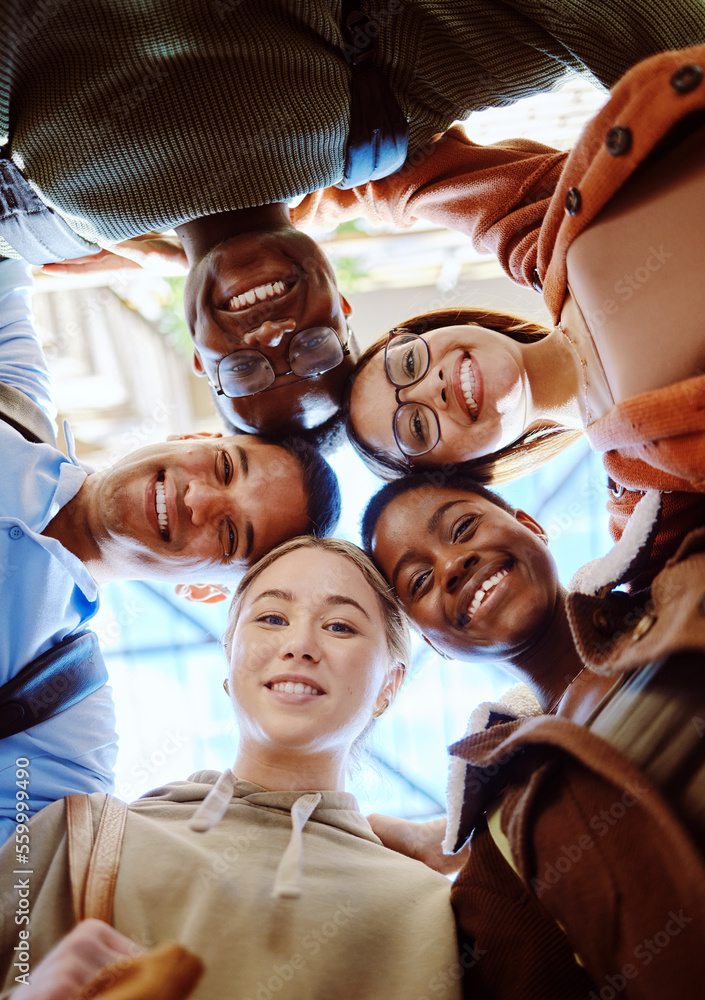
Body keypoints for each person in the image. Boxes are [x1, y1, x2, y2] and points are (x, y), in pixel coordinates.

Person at [7, 4, 705, 439]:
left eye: (248, 372)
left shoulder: (46, 227)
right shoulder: (372, 109)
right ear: (342, 306)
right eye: (313, 351)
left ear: (200, 358)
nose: (275, 334)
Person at [0, 537, 464, 1000]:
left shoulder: (429, 909)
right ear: (230, 654)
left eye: (340, 626)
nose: (300, 644)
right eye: (272, 618)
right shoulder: (76, 834)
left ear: (390, 684)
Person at [294, 44, 705, 554]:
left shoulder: (539, 239)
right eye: (417, 426)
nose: (432, 387)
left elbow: (390, 173)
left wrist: (233, 236)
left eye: (407, 363)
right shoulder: (645, 512)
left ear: (432, 329)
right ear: (462, 472)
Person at [0, 257, 340, 842]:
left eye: (230, 534)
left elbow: (27, 889)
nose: (198, 496)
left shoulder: (61, 718)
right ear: (194, 438)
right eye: (225, 466)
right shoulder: (13, 398)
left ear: (203, 589)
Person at [360, 470, 705, 997]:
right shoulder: (502, 843)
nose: (452, 564)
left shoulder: (686, 576)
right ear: (437, 645)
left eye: (463, 527)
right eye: (420, 582)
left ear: (532, 526)